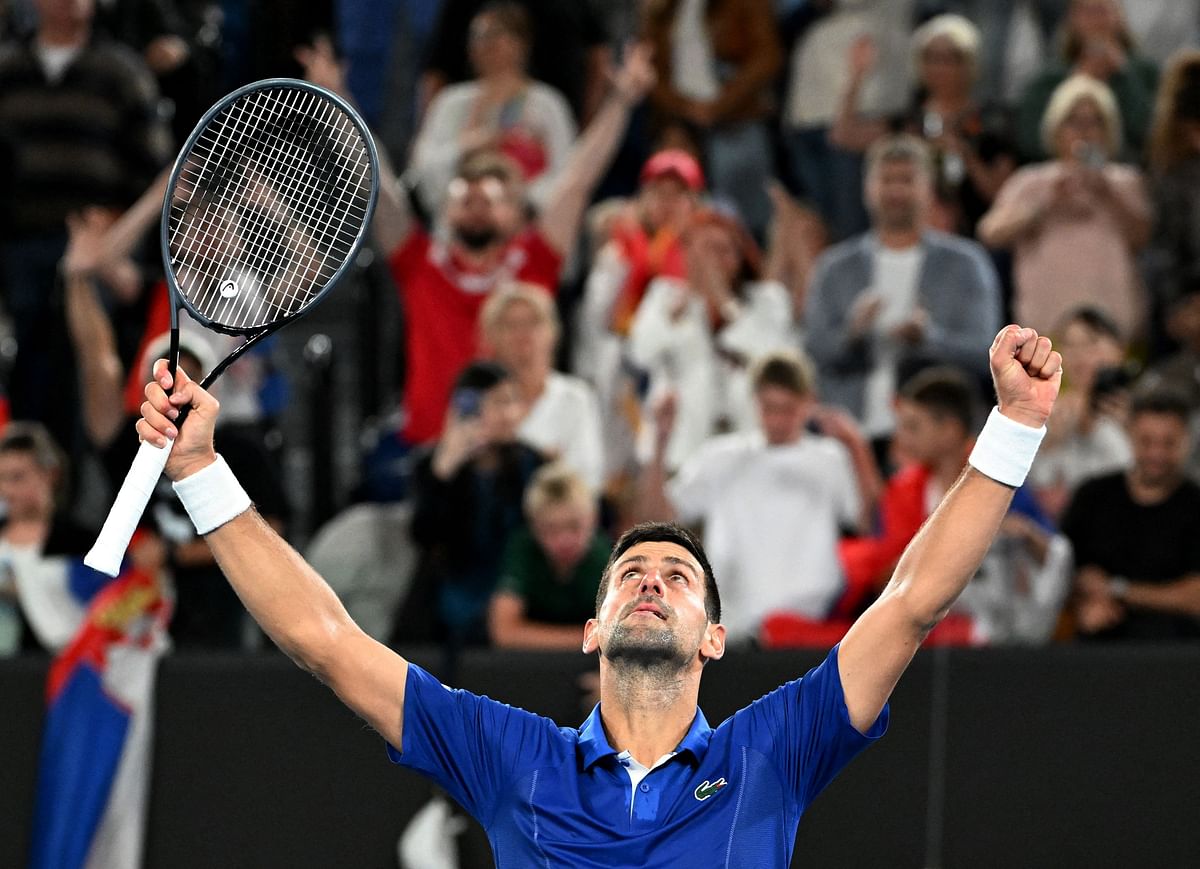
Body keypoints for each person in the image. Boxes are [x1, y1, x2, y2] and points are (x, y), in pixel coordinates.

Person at [134, 321, 1063, 863]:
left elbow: (909, 600)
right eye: (630, 576)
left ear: (713, 637)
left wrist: (1015, 427)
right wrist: (204, 468)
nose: (652, 582)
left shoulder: (776, 748)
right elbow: (325, 638)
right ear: (593, 629)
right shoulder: (508, 755)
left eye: (678, 578)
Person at [298, 40, 655, 446]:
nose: (476, 204)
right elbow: (377, 181)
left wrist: (621, 102)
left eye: (491, 198)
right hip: (431, 457)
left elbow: (575, 182)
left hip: (522, 453)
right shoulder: (421, 264)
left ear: (519, 213)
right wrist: (337, 101)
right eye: (465, 197)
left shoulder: (534, 262)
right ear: (446, 211)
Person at [0, 0, 172, 440]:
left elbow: (153, 164)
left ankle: (87, 477)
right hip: (20, 240)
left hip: (103, 242)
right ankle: (34, 467)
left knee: (89, 356)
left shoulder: (122, 71)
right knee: (29, 359)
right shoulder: (8, 68)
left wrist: (116, 226)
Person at [636, 350, 882, 643]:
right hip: (735, 623)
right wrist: (660, 441)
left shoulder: (830, 457)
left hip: (810, 626)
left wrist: (857, 447)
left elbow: (871, 523)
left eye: (787, 409)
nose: (777, 420)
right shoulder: (721, 456)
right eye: (768, 408)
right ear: (754, 401)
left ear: (809, 401)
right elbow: (656, 520)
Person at [840, 367, 1072, 646]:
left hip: (1001, 632)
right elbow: (884, 581)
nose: (900, 438)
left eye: (913, 427)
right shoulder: (901, 492)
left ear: (949, 430)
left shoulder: (1001, 473)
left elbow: (1051, 555)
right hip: (925, 630)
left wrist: (1022, 533)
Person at [804, 134, 1001, 447]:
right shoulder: (834, 268)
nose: (896, 190)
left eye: (907, 180)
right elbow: (814, 351)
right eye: (887, 179)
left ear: (928, 188)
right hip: (849, 435)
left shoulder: (966, 264)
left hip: (937, 442)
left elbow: (986, 353)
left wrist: (929, 338)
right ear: (867, 188)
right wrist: (852, 333)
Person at [979, 74, 1151, 341]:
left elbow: (1145, 237)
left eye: (1095, 121)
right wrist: (1044, 204)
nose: (1084, 131)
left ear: (1110, 130)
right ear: (1056, 129)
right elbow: (990, 233)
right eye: (1074, 121)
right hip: (1045, 332)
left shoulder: (1125, 181)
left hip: (1116, 333)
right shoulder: (1032, 180)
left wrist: (1107, 193)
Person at [627, 207, 795, 470]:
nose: (712, 261)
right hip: (678, 451)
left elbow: (774, 359)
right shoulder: (663, 297)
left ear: (740, 256)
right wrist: (676, 313)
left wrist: (724, 302)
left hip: (747, 450)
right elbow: (641, 352)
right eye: (704, 249)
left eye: (723, 249)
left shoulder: (768, 300)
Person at [830, 16, 1018, 238]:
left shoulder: (990, 121)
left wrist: (963, 153)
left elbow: (1004, 194)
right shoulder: (910, 122)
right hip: (916, 233)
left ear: (969, 62)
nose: (941, 67)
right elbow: (844, 135)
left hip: (976, 233)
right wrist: (856, 77)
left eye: (952, 58)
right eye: (932, 58)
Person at [404, 361, 545, 647]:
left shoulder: (534, 464)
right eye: (499, 402)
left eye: (514, 401)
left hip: (516, 589)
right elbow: (423, 536)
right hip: (453, 600)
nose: (511, 413)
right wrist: (443, 471)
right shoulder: (433, 465)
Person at [408, 2, 576, 215]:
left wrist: (520, 197)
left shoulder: (548, 104)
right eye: (476, 36)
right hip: (461, 227)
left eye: (494, 34)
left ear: (521, 42)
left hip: (528, 226)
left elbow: (567, 175)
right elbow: (423, 168)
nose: (485, 44)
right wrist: (466, 147)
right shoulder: (450, 102)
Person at [1061, 389, 1200, 641]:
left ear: (1186, 441)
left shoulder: (1195, 504)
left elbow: (1195, 597)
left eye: (1168, 443)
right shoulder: (1092, 496)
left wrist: (1116, 589)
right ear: (1130, 436)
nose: (1156, 454)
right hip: (1095, 650)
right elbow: (1060, 571)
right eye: (1146, 441)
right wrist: (1085, 594)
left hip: (1178, 655)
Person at [640, 0, 782, 240]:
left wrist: (719, 106)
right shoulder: (665, 10)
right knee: (676, 211)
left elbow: (767, 57)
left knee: (747, 220)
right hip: (681, 121)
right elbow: (652, 70)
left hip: (736, 119)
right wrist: (686, 107)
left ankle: (746, 271)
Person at [480, 282, 604, 493]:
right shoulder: (481, 396)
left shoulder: (575, 397)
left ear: (553, 332)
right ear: (492, 337)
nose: (522, 334)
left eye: (533, 322)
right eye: (510, 325)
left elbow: (589, 479)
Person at [1016, 0, 1157, 163]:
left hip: (1128, 170)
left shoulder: (1146, 73)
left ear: (1119, 17)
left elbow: (1152, 135)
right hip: (1061, 174)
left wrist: (1123, 75)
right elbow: (1030, 142)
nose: (1096, 20)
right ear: (1072, 19)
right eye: (1087, 12)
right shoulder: (1047, 81)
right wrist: (1078, 80)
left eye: (1102, 11)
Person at [488, 462, 610, 649]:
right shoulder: (522, 549)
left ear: (593, 520)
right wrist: (588, 638)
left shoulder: (607, 559)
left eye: (574, 526)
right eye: (551, 529)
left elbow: (619, 635)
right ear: (534, 527)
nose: (564, 540)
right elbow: (504, 631)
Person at [1027, 306, 1133, 519]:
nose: (1079, 354)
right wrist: (1049, 445)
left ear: (1119, 349)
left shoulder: (1143, 407)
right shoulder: (1048, 411)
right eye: (1070, 344)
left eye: (1090, 342)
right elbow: (1037, 485)